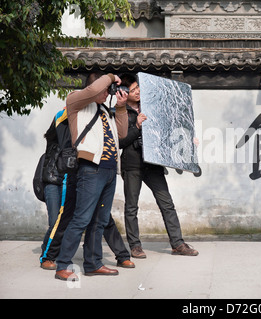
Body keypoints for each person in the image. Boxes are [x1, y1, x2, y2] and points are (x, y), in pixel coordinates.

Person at [55, 71, 129, 281]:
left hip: (109, 170)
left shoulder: (105, 109)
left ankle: (93, 263)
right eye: (106, 90)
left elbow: (122, 134)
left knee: (99, 220)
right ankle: (63, 265)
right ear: (96, 86)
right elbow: (95, 90)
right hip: (90, 168)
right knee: (81, 219)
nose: (108, 94)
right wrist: (111, 76)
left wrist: (121, 107)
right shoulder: (76, 101)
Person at [40, 108, 134, 271]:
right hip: (64, 175)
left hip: (89, 173)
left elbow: (119, 135)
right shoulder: (69, 111)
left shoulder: (98, 116)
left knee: (103, 218)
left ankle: (120, 256)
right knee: (66, 217)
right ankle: (48, 256)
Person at [118, 73, 198, 258]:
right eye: (132, 90)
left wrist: (186, 138)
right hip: (132, 164)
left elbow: (169, 128)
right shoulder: (120, 112)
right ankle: (135, 246)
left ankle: (177, 243)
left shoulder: (152, 105)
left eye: (138, 87)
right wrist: (136, 127)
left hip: (153, 164)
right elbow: (120, 142)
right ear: (123, 92)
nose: (137, 92)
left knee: (167, 203)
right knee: (132, 207)